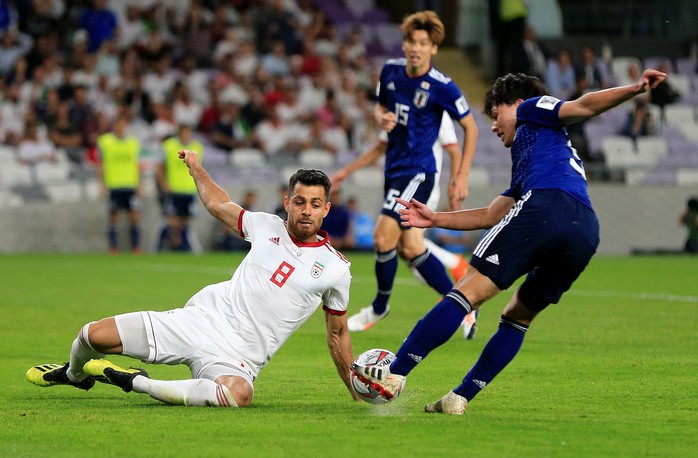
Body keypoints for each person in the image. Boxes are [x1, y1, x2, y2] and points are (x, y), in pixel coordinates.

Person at [352, 68, 667, 414]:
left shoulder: (532, 107)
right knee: (518, 315)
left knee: (466, 292)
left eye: (496, 113)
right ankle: (459, 398)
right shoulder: (540, 155)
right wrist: (435, 218)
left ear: (517, 104)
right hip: (585, 229)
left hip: (546, 205)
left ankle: (393, 374)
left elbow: (583, 106)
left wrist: (635, 89)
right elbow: (490, 214)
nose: (493, 124)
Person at [26, 159, 359, 407]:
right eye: (299, 202)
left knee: (238, 395)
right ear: (287, 202)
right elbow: (217, 204)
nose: (306, 211)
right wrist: (197, 169)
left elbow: (338, 334)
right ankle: (73, 375)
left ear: (326, 209)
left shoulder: (335, 268)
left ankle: (132, 380)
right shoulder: (264, 225)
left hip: (237, 358)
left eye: (315, 204)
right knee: (91, 335)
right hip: (199, 322)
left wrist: (356, 392)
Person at [330, 11, 477, 333]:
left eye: (423, 43)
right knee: (410, 247)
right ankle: (464, 304)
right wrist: (379, 116)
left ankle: (379, 307)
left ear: (433, 48)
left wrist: (461, 174)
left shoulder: (443, 87)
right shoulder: (391, 71)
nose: (416, 48)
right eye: (411, 41)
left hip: (420, 172)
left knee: (383, 236)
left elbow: (470, 127)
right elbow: (380, 107)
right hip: (394, 171)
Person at [96, 115, 142, 254]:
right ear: (114, 126)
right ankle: (113, 248)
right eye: (118, 125)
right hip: (114, 185)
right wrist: (102, 184)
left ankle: (136, 247)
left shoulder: (133, 143)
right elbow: (101, 164)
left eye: (123, 125)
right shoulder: (105, 142)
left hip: (130, 185)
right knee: (113, 217)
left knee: (134, 216)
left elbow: (136, 164)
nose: (120, 128)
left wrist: (139, 183)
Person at [155, 124, 204, 252]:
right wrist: (163, 183)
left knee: (186, 220)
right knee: (172, 220)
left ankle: (181, 247)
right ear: (179, 133)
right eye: (184, 132)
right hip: (174, 190)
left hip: (189, 189)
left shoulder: (197, 147)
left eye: (188, 133)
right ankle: (159, 246)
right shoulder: (169, 146)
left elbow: (199, 169)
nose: (186, 135)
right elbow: (160, 166)